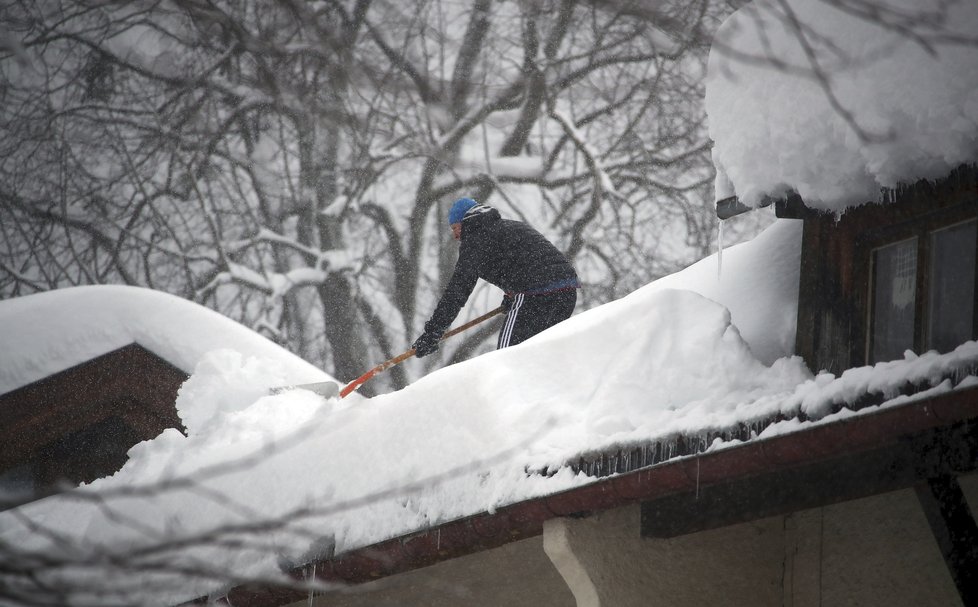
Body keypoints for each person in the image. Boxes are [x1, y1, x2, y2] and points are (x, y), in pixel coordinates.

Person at [412, 197, 579, 358]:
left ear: (465, 222)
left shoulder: (475, 239)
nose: (456, 236)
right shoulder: (508, 227)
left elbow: (457, 290)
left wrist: (433, 332)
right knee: (541, 356)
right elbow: (526, 261)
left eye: (455, 228)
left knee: (506, 360)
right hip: (567, 292)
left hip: (536, 294)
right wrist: (511, 294)